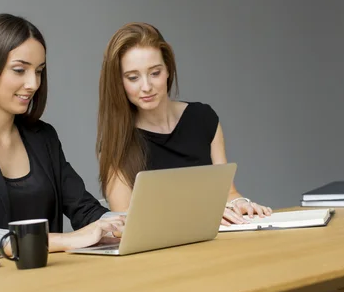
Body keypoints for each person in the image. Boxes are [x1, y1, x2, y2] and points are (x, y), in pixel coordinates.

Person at [0, 13, 124, 263]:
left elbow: (85, 209)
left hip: (47, 281)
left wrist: (120, 225)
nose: (33, 83)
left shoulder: (43, 137)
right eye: (20, 70)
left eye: (39, 71)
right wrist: (60, 241)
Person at [96, 22, 273, 226]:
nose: (146, 86)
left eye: (155, 73)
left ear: (168, 70)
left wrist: (241, 204)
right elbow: (124, 224)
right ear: (120, 82)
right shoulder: (118, 144)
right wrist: (202, 214)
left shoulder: (203, 119)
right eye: (133, 77)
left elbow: (228, 193)